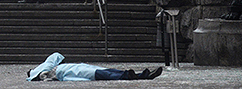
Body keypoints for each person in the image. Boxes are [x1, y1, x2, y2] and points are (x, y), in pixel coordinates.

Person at [27, 52, 163, 81]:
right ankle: (136, 75)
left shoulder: (42, 69)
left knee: (103, 72)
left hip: (70, 69)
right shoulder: (40, 69)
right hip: (68, 70)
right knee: (102, 72)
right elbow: (55, 56)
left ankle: (139, 75)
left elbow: (54, 58)